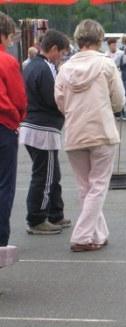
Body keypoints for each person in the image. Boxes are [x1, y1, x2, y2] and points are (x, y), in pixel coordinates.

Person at [55, 19, 126, 252]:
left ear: (78, 39)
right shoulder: (107, 65)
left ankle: (99, 233)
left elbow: (60, 102)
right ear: (100, 39)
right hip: (102, 131)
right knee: (97, 187)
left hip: (75, 132)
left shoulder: (64, 69)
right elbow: (119, 100)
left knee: (85, 187)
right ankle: (82, 236)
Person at [20, 29, 71, 235]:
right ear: (53, 49)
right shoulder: (46, 67)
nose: (62, 57)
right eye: (62, 52)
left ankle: (54, 213)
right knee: (45, 176)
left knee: (51, 173)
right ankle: (37, 218)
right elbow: (54, 99)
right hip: (43, 128)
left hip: (33, 125)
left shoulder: (30, 65)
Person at [0, 11, 27, 249]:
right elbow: (19, 99)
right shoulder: (7, 61)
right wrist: (16, 119)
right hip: (3, 126)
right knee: (3, 187)